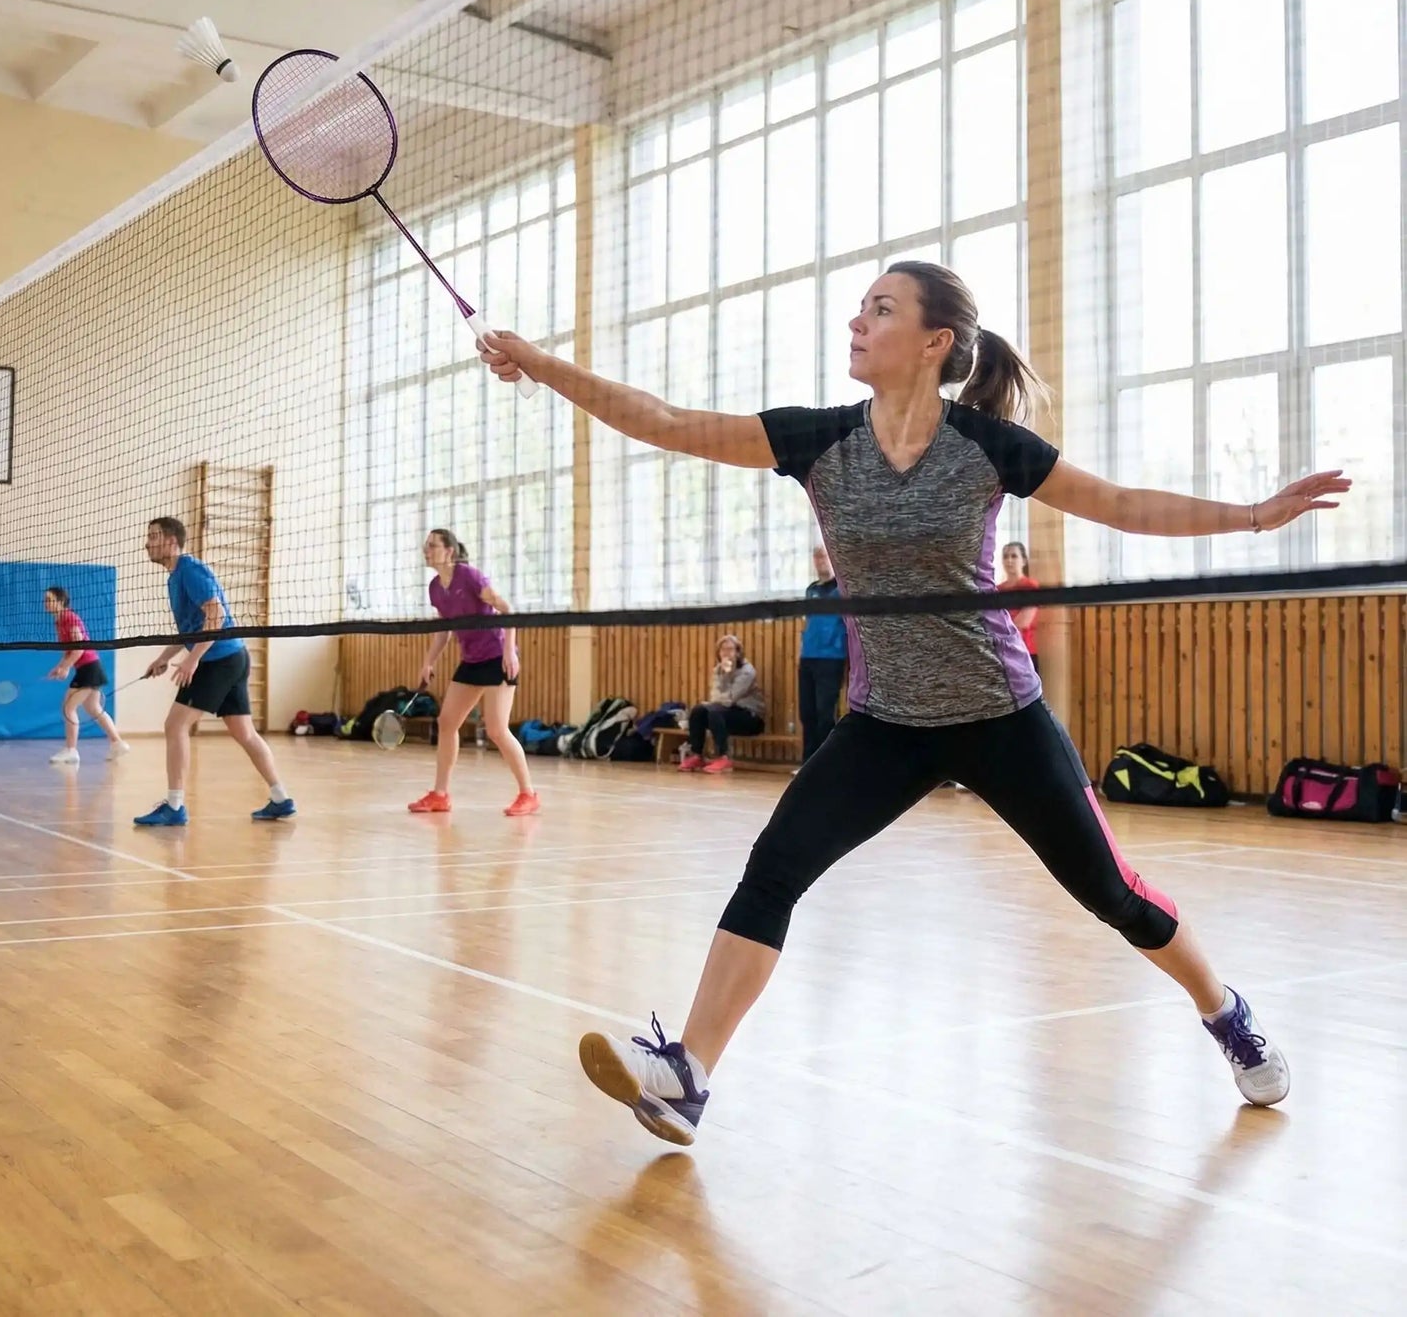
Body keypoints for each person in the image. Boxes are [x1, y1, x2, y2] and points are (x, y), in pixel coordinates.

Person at [479, 260, 1351, 1144]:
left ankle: (1222, 1008)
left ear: (935, 342)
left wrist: (1250, 513)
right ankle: (689, 1072)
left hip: (998, 715)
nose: (856, 321)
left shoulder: (985, 446)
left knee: (1111, 892)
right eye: (860, 308)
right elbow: (664, 422)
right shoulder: (819, 442)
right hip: (885, 722)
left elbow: (1120, 504)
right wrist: (541, 363)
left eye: (880, 309)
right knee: (773, 868)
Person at [133, 517, 295, 827]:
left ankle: (175, 806)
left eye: (154, 536)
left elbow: (216, 616)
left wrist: (193, 660)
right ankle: (280, 798)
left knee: (175, 725)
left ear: (171, 542)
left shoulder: (190, 571)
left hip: (218, 659)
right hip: (232, 656)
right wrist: (165, 657)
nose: (147, 543)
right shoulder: (175, 577)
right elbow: (193, 628)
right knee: (244, 732)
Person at [408, 528, 539, 817]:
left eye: (432, 545)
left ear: (449, 551)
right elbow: (443, 631)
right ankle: (440, 795)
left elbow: (507, 609)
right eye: (425, 545)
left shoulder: (469, 577)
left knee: (496, 729)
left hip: (497, 657)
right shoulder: (434, 588)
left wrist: (509, 651)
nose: (426, 550)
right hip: (471, 660)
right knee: (447, 722)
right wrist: (428, 662)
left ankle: (528, 794)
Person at [43, 586, 128, 765]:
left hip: (89, 667)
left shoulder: (69, 617)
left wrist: (66, 668)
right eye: (45, 600)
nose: (46, 604)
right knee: (93, 708)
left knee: (68, 708)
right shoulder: (59, 621)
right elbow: (69, 650)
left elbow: (79, 647)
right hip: (88, 667)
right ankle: (117, 743)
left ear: (61, 602)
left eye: (50, 600)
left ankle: (71, 751)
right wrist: (59, 667)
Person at [680, 635, 766, 774]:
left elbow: (732, 697)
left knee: (714, 711)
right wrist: (723, 677)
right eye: (723, 650)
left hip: (749, 717)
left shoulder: (747, 671)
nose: (726, 653)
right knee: (699, 710)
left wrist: (727, 675)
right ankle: (696, 754)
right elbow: (714, 695)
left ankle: (723, 756)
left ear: (738, 652)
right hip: (726, 712)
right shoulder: (717, 670)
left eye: (730, 649)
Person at [798, 546, 846, 763]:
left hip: (831, 658)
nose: (820, 561)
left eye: (824, 556)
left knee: (824, 712)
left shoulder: (843, 589)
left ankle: (826, 763)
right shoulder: (811, 590)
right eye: (816, 556)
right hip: (808, 658)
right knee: (807, 712)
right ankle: (807, 762)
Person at [1000, 541, 1041, 672]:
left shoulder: (1030, 586)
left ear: (1023, 561)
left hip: (1024, 651)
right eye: (1005, 556)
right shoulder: (996, 589)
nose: (1009, 560)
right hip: (1001, 653)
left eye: (1014, 556)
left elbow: (1024, 621)